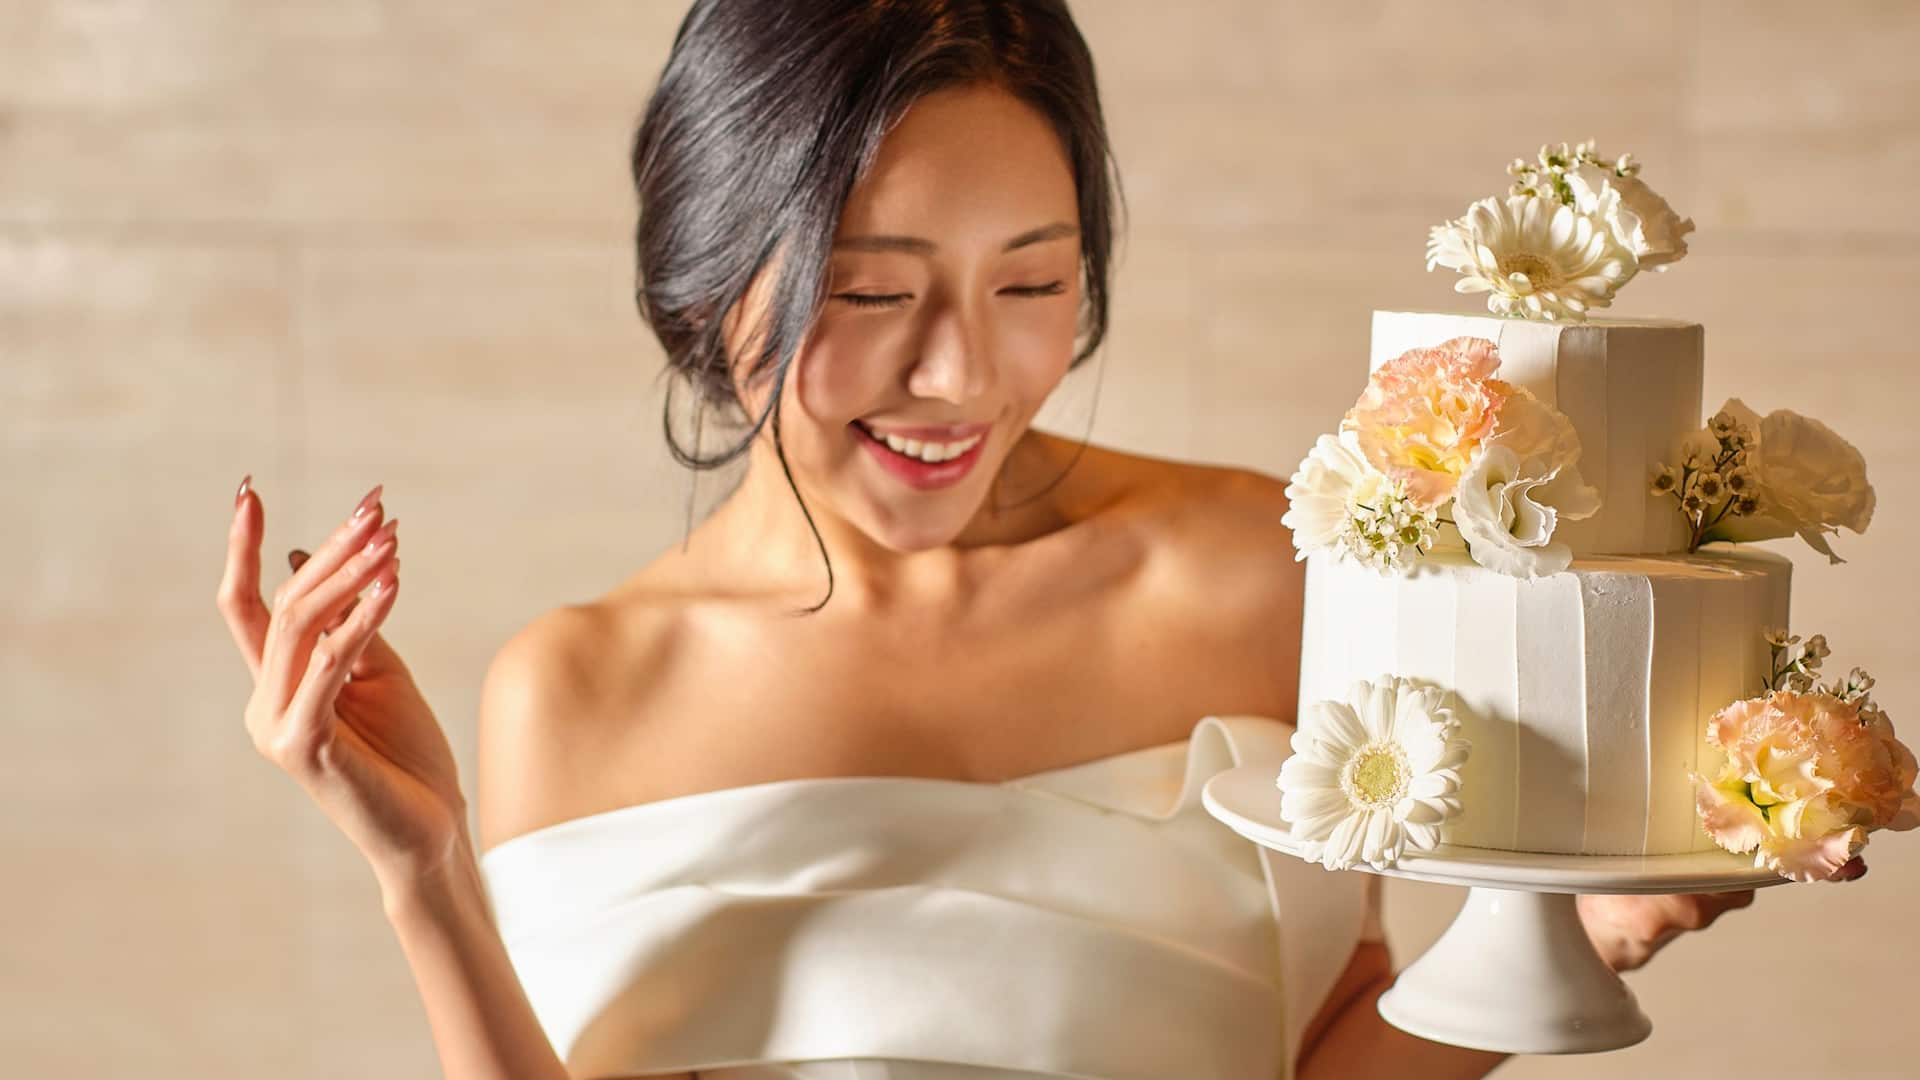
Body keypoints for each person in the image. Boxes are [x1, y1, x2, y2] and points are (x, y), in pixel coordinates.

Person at [217, 2, 1857, 1078]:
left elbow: (1337, 1052)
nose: (961, 376)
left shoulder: (1248, 571)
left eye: (1031, 282)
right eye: (872, 292)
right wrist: (425, 879)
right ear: (706, 283)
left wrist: (1585, 926)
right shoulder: (577, 688)